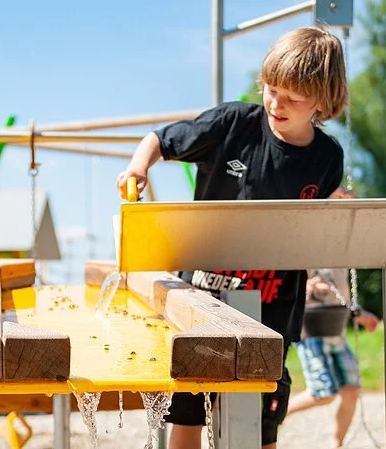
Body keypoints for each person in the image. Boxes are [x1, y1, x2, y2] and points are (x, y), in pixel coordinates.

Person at [116, 26, 348, 449]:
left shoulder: (327, 158)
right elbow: (160, 140)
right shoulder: (233, 124)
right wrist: (138, 168)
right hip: (201, 295)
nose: (277, 103)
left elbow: (316, 224)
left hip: (273, 307)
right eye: (271, 89)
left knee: (263, 411)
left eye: (292, 98)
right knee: (189, 399)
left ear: (323, 100)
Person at [286, 188, 379, 449]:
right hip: (311, 328)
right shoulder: (307, 244)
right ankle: (274, 418)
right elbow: (292, 287)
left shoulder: (342, 251)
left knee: (351, 390)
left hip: (335, 328)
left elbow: (341, 294)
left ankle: (335, 444)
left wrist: (358, 313)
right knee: (323, 392)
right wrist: (311, 286)